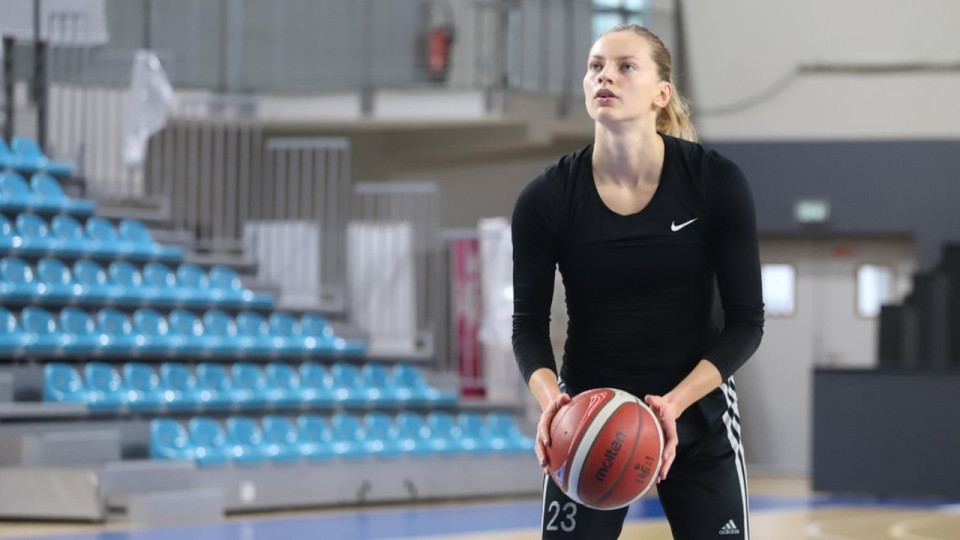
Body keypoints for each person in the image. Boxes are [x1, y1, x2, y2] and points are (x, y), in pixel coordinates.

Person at [511, 24, 764, 539]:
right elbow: (528, 327)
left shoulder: (715, 182)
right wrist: (551, 403)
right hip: (587, 420)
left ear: (660, 94)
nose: (606, 76)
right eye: (596, 66)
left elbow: (746, 323)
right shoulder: (547, 198)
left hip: (697, 415)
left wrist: (670, 405)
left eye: (626, 67)